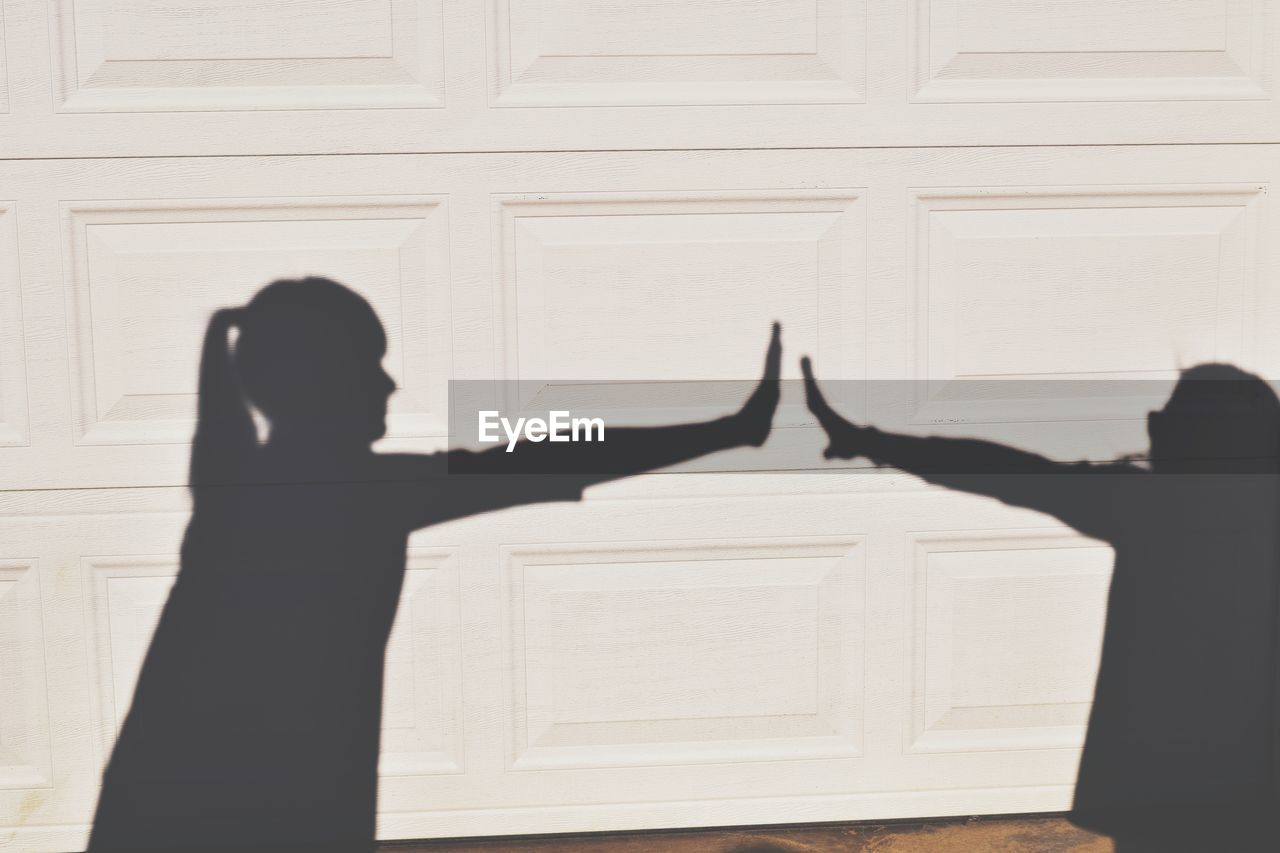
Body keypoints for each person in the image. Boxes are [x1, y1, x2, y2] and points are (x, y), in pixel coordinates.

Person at [88, 277, 781, 852]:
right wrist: (729, 428)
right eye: (369, 363)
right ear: (319, 381)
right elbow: (544, 457)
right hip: (272, 804)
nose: (389, 383)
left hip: (161, 792)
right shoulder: (352, 494)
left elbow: (535, 456)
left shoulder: (235, 482)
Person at [801, 356, 1280, 851]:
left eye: (1166, 421)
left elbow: (1002, 469)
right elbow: (1002, 468)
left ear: (1170, 433)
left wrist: (868, 440)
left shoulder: (1145, 503)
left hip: (1156, 773)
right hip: (1251, 778)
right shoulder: (1166, 502)